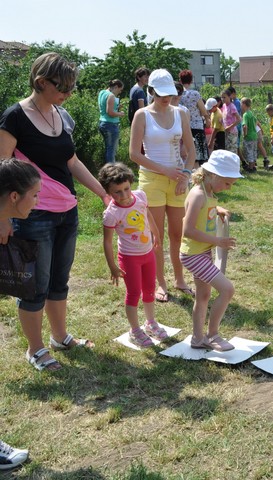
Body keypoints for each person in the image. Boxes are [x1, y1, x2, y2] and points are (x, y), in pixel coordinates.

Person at [0, 52, 111, 371]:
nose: (69, 93)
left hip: (67, 211)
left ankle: (60, 337)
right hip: (32, 216)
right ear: (41, 82)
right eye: (63, 87)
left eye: (72, 87)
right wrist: (3, 217)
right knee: (35, 286)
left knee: (59, 281)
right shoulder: (14, 117)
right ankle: (35, 349)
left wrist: (102, 193)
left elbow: (71, 161)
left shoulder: (61, 115)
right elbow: (2, 169)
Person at [129, 68, 196, 303]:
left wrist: (185, 175)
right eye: (160, 94)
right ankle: (160, 283)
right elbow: (134, 154)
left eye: (169, 93)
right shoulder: (142, 115)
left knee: (178, 233)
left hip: (178, 180)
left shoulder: (181, 113)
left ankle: (179, 279)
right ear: (151, 91)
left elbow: (191, 151)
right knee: (156, 235)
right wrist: (165, 170)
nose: (166, 98)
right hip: (152, 180)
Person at [98, 162, 169, 348]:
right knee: (134, 293)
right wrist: (112, 266)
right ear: (108, 192)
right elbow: (107, 242)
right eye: (117, 192)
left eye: (126, 189)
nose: (124, 195)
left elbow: (147, 215)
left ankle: (150, 322)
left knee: (149, 289)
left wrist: (156, 234)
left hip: (148, 253)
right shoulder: (111, 214)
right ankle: (135, 330)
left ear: (131, 184)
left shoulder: (141, 196)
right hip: (129, 258)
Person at [180, 150, 242, 351]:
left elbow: (204, 212)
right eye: (227, 183)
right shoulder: (198, 195)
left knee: (203, 296)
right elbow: (188, 230)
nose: (229, 188)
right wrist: (218, 241)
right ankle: (212, 335)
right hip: (194, 255)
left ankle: (198, 339)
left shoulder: (208, 193)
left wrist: (217, 210)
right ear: (214, 175)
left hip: (202, 252)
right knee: (227, 289)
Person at [179, 70, 211, 166]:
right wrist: (207, 118)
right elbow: (203, 110)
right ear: (191, 80)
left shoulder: (178, 95)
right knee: (197, 156)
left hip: (182, 127)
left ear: (180, 80)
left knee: (185, 156)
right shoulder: (195, 94)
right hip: (197, 126)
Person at [98, 79, 125, 164]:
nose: (120, 92)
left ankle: (107, 168)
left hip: (102, 123)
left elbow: (104, 107)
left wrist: (116, 106)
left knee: (108, 148)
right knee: (111, 150)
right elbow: (110, 112)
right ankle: (111, 170)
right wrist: (120, 114)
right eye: (120, 90)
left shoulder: (102, 92)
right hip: (110, 125)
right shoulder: (111, 96)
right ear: (116, 87)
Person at [220, 89, 242, 155]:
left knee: (232, 150)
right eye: (222, 97)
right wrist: (222, 121)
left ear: (229, 97)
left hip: (232, 132)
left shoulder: (232, 106)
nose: (223, 99)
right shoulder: (224, 106)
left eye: (224, 97)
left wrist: (230, 127)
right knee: (227, 150)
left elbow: (239, 119)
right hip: (226, 131)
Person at [241, 97, 258, 172]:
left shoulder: (245, 115)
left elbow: (245, 126)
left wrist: (245, 134)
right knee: (253, 151)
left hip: (249, 136)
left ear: (244, 104)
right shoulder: (251, 113)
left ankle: (250, 168)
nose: (241, 105)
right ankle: (253, 166)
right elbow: (256, 122)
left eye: (241, 104)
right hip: (254, 135)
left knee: (249, 152)